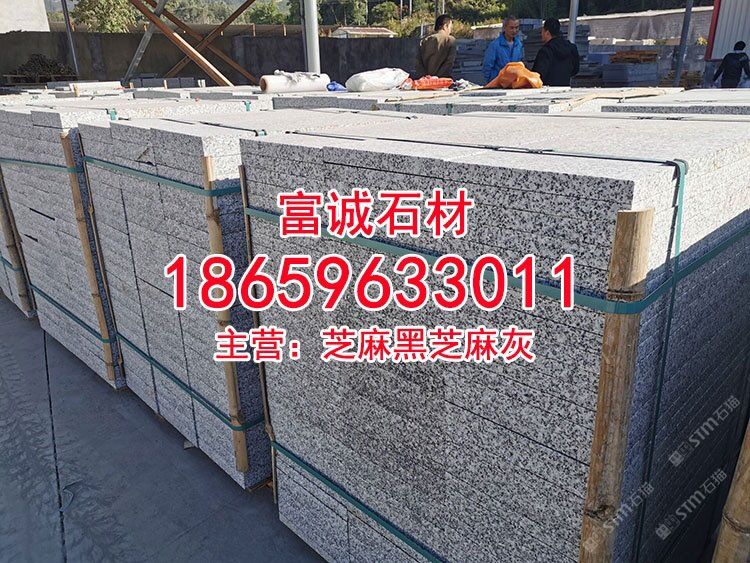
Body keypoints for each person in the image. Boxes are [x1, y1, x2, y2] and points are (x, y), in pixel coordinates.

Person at [532, 18, 580, 87]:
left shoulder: (545, 51)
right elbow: (575, 70)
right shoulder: (571, 48)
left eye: (542, 31)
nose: (541, 34)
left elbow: (537, 76)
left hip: (547, 90)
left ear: (547, 32)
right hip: (565, 88)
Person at [482, 16, 524, 84]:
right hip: (498, 84)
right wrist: (492, 83)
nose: (514, 31)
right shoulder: (495, 45)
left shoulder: (519, 45)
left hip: (514, 84)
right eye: (511, 28)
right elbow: (487, 66)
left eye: (516, 28)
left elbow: (521, 64)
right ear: (504, 28)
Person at [415, 14, 457, 79]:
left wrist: (426, 78)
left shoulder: (424, 41)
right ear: (445, 26)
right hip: (443, 80)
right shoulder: (450, 40)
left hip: (426, 81)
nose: (450, 31)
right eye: (450, 28)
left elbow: (418, 63)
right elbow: (449, 62)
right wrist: (437, 78)